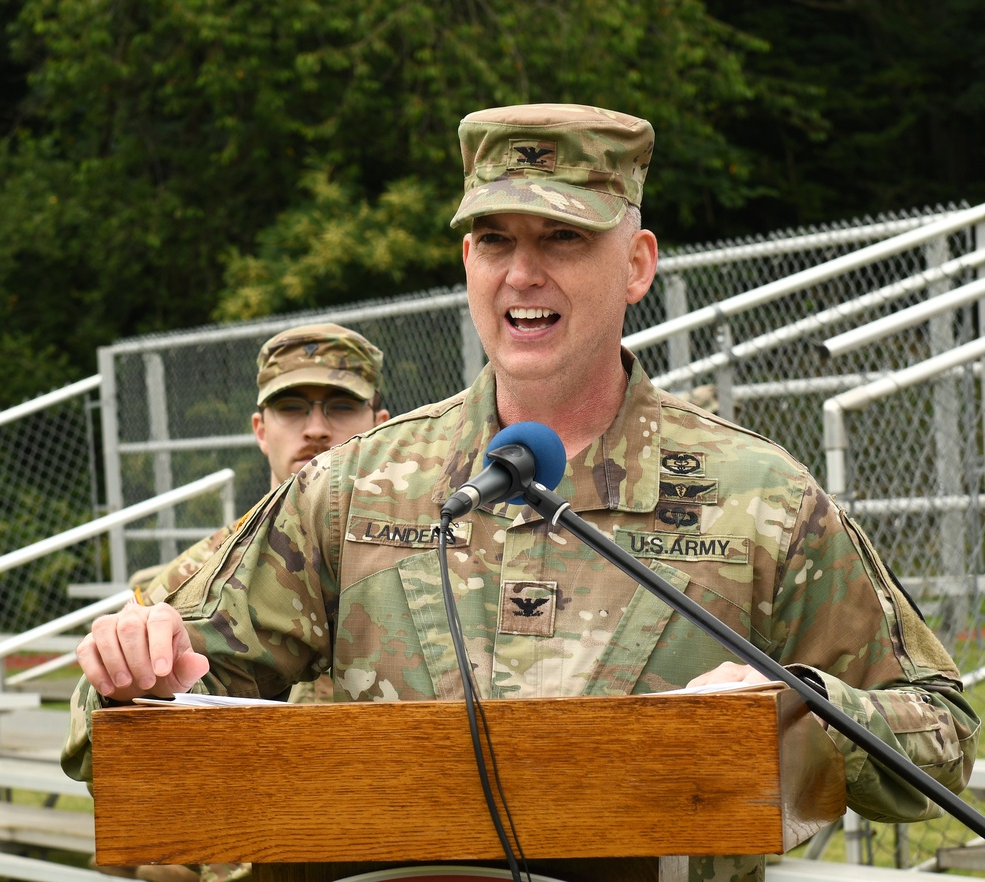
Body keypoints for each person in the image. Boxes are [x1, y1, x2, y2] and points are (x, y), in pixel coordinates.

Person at [63, 104, 979, 882]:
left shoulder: (761, 498)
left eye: (563, 239)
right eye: (493, 239)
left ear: (637, 265)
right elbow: (131, 719)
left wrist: (792, 702)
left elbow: (941, 730)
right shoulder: (354, 488)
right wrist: (133, 676)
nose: (521, 273)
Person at [90, 322, 390, 882]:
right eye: (292, 408)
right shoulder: (193, 576)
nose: (317, 429)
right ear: (260, 429)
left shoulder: (429, 568)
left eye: (341, 408)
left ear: (382, 425)